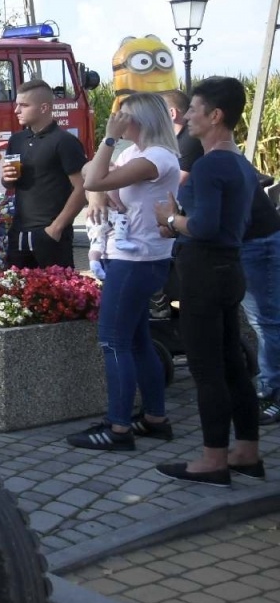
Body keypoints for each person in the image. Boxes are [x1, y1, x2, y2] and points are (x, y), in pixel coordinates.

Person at [152, 77, 262, 485]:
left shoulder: (211, 163)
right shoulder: (239, 162)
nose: (188, 116)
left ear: (215, 116)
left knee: (207, 369)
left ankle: (213, 460)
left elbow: (205, 225)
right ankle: (246, 452)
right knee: (232, 363)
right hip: (228, 269)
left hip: (204, 272)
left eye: (195, 110)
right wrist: (178, 223)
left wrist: (169, 218)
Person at [67, 93, 182, 450]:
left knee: (113, 342)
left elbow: (95, 180)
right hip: (130, 257)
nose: (118, 119)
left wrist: (108, 138)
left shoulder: (157, 158)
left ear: (141, 120)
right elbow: (93, 173)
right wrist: (99, 194)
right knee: (136, 340)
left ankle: (118, 428)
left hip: (139, 260)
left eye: (123, 116)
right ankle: (154, 418)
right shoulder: (136, 155)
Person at [3, 80, 87, 269]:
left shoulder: (64, 141)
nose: (17, 110)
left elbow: (82, 187)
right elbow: (10, 184)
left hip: (50, 232)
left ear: (44, 107)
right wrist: (7, 179)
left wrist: (57, 227)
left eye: (24, 105)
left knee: (57, 295)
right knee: (16, 295)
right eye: (17, 104)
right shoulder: (17, 140)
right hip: (19, 231)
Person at [242, 175, 280, 424]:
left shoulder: (194, 150)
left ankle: (272, 392)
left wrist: (172, 220)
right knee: (265, 321)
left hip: (257, 241)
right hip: (254, 239)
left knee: (266, 321)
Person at [160, 88, 203, 174]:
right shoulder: (169, 140)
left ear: (172, 113)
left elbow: (176, 182)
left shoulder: (190, 140)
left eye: (157, 112)